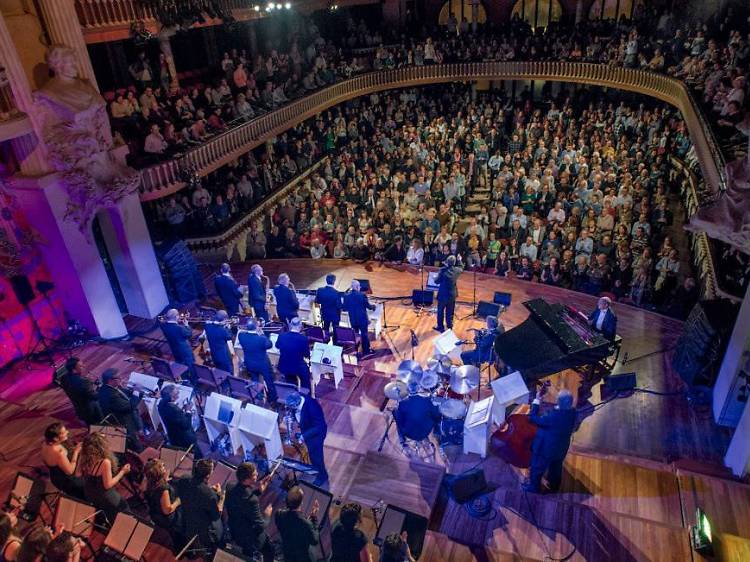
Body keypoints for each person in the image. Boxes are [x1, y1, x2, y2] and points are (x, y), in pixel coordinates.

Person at [523, 388, 576, 494]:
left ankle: (534, 488)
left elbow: (532, 418)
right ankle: (554, 485)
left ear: (558, 402)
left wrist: (537, 400)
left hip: (546, 449)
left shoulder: (552, 417)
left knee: (536, 468)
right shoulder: (573, 413)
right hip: (561, 448)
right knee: (556, 467)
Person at [225, 462, 274, 561]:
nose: (257, 475)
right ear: (247, 479)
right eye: (255, 474)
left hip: (233, 529)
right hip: (247, 537)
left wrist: (259, 491)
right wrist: (267, 515)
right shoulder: (252, 501)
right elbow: (261, 525)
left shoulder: (230, 486)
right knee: (269, 548)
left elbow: (243, 500)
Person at [174, 459, 224, 554]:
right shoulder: (210, 495)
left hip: (186, 517)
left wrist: (208, 489)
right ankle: (217, 549)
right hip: (202, 529)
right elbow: (216, 515)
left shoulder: (184, 478)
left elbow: (194, 491)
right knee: (222, 527)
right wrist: (221, 497)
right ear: (208, 475)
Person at [79, 432, 130, 525]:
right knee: (124, 512)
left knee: (110, 516)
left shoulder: (84, 458)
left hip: (92, 495)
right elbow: (108, 485)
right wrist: (122, 472)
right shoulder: (104, 462)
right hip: (106, 497)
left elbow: (78, 474)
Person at [286, 392, 328, 486]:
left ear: (297, 404)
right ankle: (316, 469)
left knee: (317, 457)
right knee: (313, 456)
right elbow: (296, 412)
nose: (291, 410)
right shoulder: (298, 397)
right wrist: (292, 418)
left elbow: (319, 426)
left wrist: (303, 436)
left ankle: (322, 476)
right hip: (308, 430)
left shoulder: (312, 407)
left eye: (292, 408)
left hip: (317, 435)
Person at [97, 369, 143, 452]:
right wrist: (136, 391)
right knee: (135, 444)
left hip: (123, 416)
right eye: (118, 378)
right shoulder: (111, 395)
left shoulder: (108, 388)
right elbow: (130, 406)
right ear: (110, 380)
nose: (121, 379)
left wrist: (136, 391)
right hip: (124, 422)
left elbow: (125, 394)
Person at [143, 458, 184, 550]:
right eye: (162, 466)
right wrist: (178, 501)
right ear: (158, 473)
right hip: (167, 519)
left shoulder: (148, 482)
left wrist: (164, 479)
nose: (164, 466)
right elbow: (167, 510)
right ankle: (180, 547)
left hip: (155, 514)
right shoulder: (163, 488)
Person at [274, 486, 320, 562]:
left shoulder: (279, 514)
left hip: (287, 551)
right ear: (301, 503)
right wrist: (314, 519)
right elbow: (314, 541)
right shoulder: (306, 524)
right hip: (302, 557)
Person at [237, 318, 278, 403]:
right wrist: (262, 334)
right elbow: (269, 344)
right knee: (269, 381)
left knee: (255, 381)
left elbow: (242, 332)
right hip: (263, 365)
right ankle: (272, 400)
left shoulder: (241, 336)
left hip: (250, 363)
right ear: (256, 327)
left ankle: (258, 397)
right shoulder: (261, 338)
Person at [41, 423, 85, 500]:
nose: (67, 432)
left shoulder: (45, 444)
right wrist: (76, 452)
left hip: (55, 477)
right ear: (56, 438)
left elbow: (45, 460)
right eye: (64, 432)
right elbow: (70, 471)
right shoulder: (58, 452)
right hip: (67, 481)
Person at [158, 385, 201, 458]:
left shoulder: (161, 404)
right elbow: (186, 425)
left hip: (174, 438)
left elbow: (175, 419)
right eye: (177, 393)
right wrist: (188, 410)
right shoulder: (175, 410)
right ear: (171, 397)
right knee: (197, 457)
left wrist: (181, 410)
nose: (178, 395)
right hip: (185, 440)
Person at [393, 380, 441, 446]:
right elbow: (437, 415)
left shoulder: (402, 403)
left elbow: (399, 417)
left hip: (408, 432)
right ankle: (430, 437)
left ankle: (402, 440)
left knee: (396, 414)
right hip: (425, 431)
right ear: (418, 388)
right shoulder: (427, 400)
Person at [56, 357, 102, 425]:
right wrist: (99, 387)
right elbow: (94, 397)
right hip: (91, 410)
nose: (84, 366)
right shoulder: (84, 381)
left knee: (90, 426)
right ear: (73, 369)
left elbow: (78, 390)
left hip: (79, 409)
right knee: (98, 426)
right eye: (80, 366)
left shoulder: (64, 378)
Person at [276, 317, 312, 389]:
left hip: (284, 364)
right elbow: (307, 354)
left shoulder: (282, 335)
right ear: (300, 326)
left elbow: (277, 346)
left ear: (290, 325)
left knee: (290, 379)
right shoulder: (303, 339)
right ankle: (306, 394)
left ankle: (291, 389)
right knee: (306, 378)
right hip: (297, 366)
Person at [343, 279, 376, 356]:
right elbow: (368, 306)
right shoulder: (362, 295)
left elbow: (344, 308)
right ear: (358, 287)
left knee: (356, 334)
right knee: (364, 334)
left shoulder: (346, 296)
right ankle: (366, 350)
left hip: (353, 320)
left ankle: (356, 350)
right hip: (362, 320)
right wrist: (373, 307)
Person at [160, 309, 195, 376]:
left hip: (174, 349)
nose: (179, 317)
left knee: (180, 365)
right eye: (178, 315)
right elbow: (189, 334)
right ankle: (193, 380)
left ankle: (184, 377)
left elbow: (165, 321)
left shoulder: (164, 326)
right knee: (190, 366)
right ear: (176, 317)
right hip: (184, 351)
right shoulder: (179, 328)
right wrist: (186, 325)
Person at [435, 254, 463, 332]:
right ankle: (449, 326)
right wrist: (459, 259)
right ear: (454, 263)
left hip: (443, 295)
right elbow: (461, 267)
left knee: (440, 311)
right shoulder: (457, 270)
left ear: (447, 262)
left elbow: (436, 281)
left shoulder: (443, 270)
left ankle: (440, 327)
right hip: (452, 295)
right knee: (450, 311)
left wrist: (435, 277)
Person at [315, 274, 342, 340]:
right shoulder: (336, 293)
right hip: (335, 316)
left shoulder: (320, 290)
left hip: (324, 313)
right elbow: (339, 306)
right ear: (334, 281)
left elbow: (317, 301)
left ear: (326, 280)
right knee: (336, 332)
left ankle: (325, 343)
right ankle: (335, 344)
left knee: (325, 329)